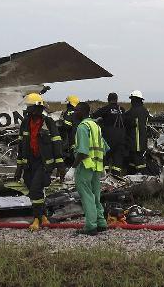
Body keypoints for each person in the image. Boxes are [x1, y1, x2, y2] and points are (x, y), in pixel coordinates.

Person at [14, 93, 65, 231]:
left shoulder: (48, 123)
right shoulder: (25, 123)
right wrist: (19, 168)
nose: (27, 109)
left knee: (36, 189)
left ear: (37, 108)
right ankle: (44, 217)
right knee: (33, 189)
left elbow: (57, 143)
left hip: (44, 164)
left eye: (29, 107)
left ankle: (36, 219)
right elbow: (21, 145)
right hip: (29, 163)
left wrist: (60, 167)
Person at [73, 102, 109, 236]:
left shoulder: (82, 127)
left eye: (76, 110)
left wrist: (72, 167)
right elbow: (104, 147)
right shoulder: (95, 126)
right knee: (96, 195)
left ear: (82, 112)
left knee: (86, 195)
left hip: (86, 165)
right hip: (97, 166)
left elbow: (82, 152)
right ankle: (101, 223)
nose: (74, 113)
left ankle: (90, 226)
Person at [92, 93, 126, 176]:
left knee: (106, 156)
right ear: (117, 99)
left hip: (109, 136)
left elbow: (94, 115)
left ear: (108, 99)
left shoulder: (106, 109)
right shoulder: (122, 109)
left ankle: (105, 175)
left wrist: (101, 120)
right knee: (118, 157)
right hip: (121, 136)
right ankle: (116, 176)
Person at [124, 90, 150, 174]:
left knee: (139, 163)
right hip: (143, 142)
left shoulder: (132, 112)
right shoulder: (145, 111)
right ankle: (131, 174)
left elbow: (127, 123)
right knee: (133, 163)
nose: (131, 101)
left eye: (132, 99)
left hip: (135, 143)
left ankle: (143, 177)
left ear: (135, 100)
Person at [58, 95, 79, 165]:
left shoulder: (69, 112)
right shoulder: (79, 112)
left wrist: (58, 125)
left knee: (71, 157)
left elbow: (67, 126)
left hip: (71, 139)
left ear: (70, 103)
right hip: (80, 139)